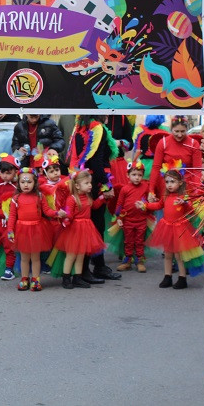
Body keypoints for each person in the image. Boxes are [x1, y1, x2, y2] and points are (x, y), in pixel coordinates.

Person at [66, 115, 120, 282]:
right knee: (94, 227)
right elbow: (96, 161)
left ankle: (95, 266)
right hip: (93, 182)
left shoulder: (80, 127)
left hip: (83, 180)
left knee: (92, 226)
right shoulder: (97, 129)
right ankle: (87, 269)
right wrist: (106, 185)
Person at [144, 162, 204, 289]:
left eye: (172, 181)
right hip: (167, 227)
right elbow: (158, 205)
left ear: (180, 183)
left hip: (180, 228)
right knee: (167, 254)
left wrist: (185, 203)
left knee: (179, 255)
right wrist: (145, 205)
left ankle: (182, 278)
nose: (169, 185)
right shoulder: (165, 196)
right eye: (167, 182)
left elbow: (191, 211)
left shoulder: (183, 196)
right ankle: (167, 277)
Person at [9, 168, 66, 291]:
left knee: (35, 258)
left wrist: (57, 213)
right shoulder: (16, 199)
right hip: (22, 231)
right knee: (24, 258)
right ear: (18, 183)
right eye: (23, 182)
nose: (26, 185)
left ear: (35, 182)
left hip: (37, 230)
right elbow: (12, 216)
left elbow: (47, 211)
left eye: (29, 182)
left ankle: (36, 279)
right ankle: (24, 279)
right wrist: (10, 230)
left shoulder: (40, 196)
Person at [57, 170, 108, 289]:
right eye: (87, 183)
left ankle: (77, 278)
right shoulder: (72, 198)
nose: (90, 185)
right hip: (75, 229)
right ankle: (66, 278)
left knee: (81, 255)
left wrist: (102, 197)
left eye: (90, 183)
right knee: (71, 255)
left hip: (86, 227)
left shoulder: (87, 196)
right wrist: (64, 217)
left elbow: (93, 206)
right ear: (77, 186)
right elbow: (69, 214)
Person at [148, 115, 201, 202]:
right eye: (176, 131)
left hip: (187, 186)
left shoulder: (193, 144)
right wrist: (151, 190)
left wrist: (197, 190)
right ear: (171, 129)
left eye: (183, 131)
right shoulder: (163, 143)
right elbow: (156, 167)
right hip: (167, 186)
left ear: (187, 129)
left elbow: (197, 170)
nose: (179, 135)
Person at [114, 161, 152, 272]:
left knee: (140, 241)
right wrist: (119, 218)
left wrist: (149, 203)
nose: (137, 178)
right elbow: (119, 204)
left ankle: (139, 261)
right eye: (134, 175)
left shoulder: (145, 186)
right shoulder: (125, 189)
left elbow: (149, 202)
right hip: (128, 220)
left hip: (141, 220)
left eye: (140, 175)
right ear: (128, 175)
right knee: (128, 241)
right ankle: (127, 261)